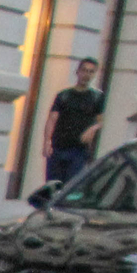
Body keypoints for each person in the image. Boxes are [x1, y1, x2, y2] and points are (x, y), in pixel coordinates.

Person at [42, 57, 105, 190]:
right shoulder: (64, 95)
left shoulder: (97, 98)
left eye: (91, 72)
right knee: (52, 187)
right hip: (57, 148)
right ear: (77, 72)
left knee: (71, 188)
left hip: (79, 151)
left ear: (94, 74)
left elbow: (103, 121)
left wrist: (93, 128)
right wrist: (47, 141)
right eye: (84, 70)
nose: (86, 75)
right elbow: (52, 119)